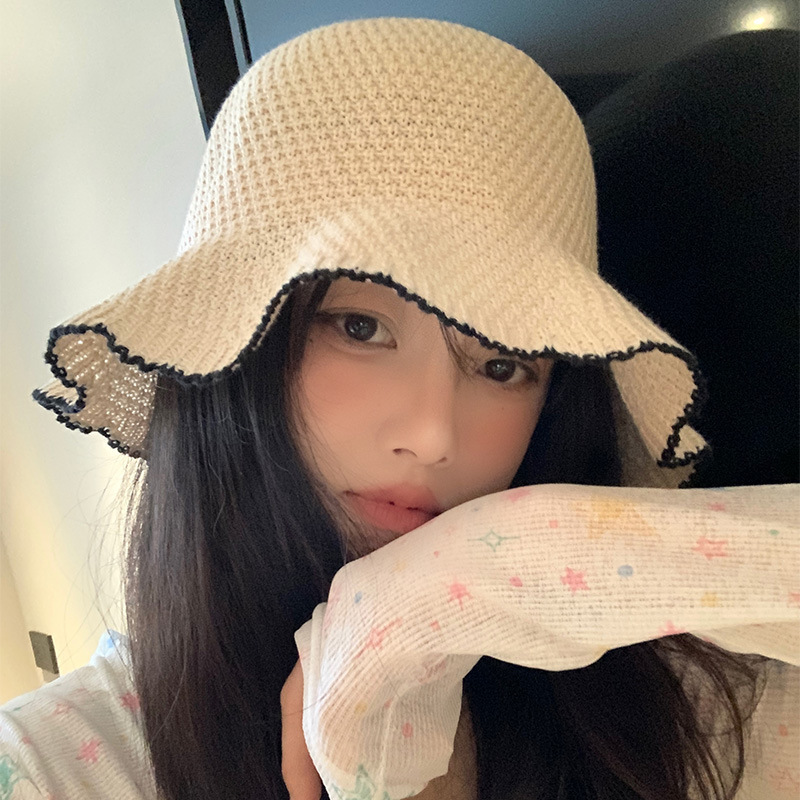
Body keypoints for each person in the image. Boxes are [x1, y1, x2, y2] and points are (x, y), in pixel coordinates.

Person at [1, 17, 797, 800]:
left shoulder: (696, 710)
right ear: (230, 353)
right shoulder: (53, 767)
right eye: (359, 327)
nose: (434, 434)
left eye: (504, 363)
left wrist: (442, 595)